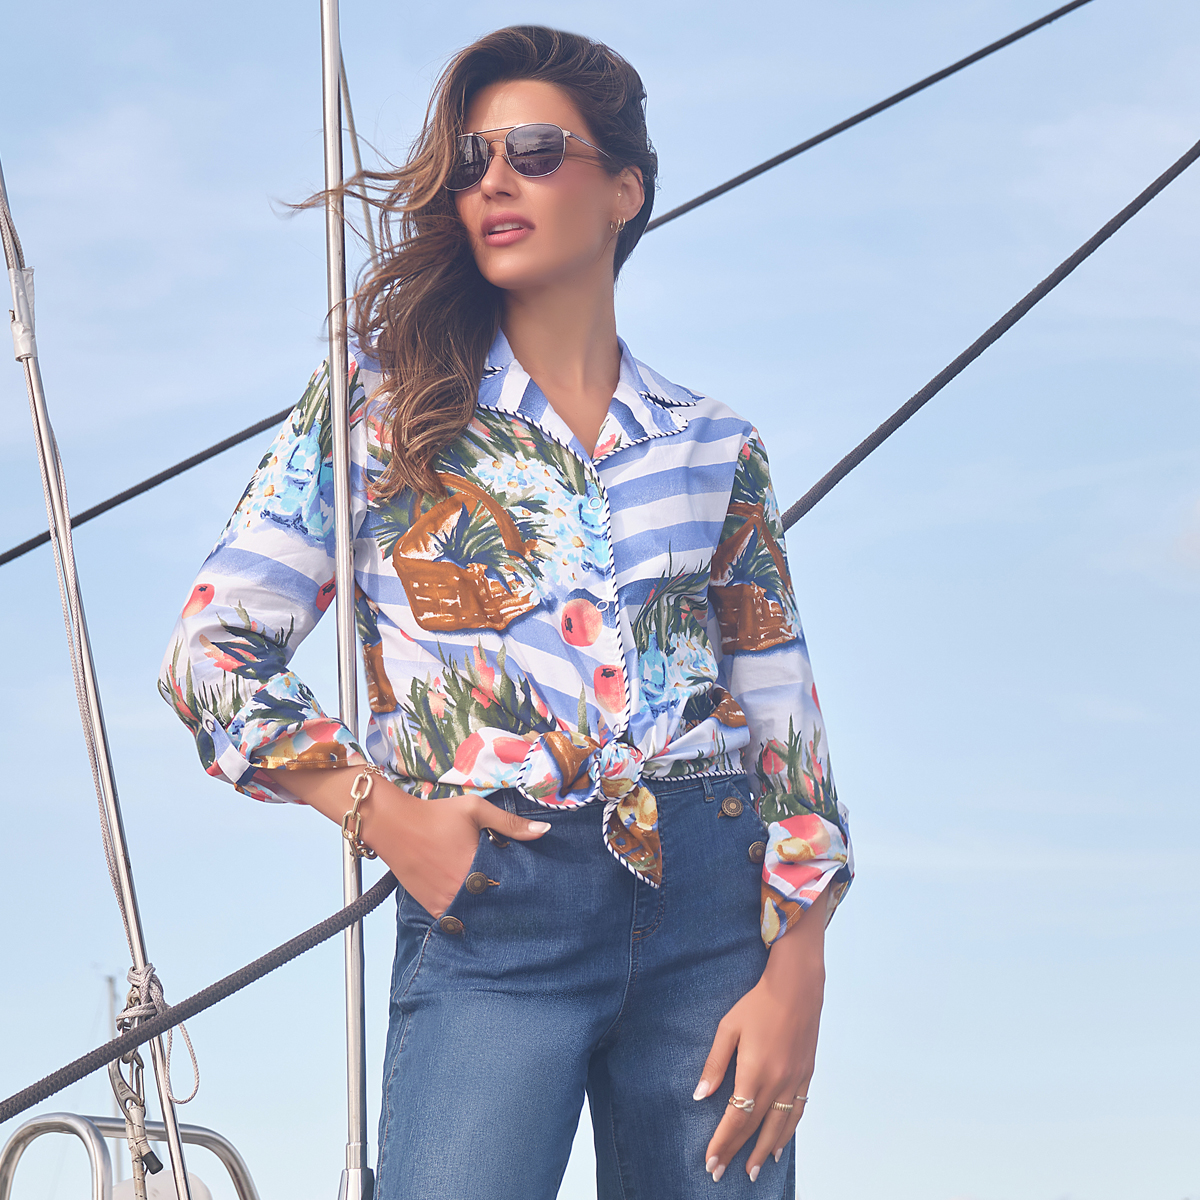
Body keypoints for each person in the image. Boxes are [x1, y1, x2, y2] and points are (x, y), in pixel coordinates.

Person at [159, 24, 852, 1200]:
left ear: (625, 188)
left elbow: (782, 718)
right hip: (496, 907)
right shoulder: (383, 407)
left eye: (534, 150)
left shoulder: (713, 444)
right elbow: (209, 653)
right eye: (472, 156)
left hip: (711, 915)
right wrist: (380, 813)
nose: (492, 178)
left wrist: (801, 970)